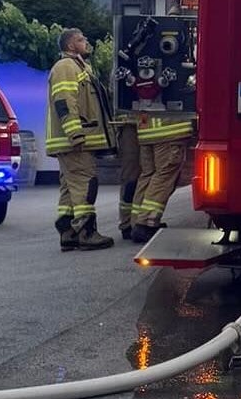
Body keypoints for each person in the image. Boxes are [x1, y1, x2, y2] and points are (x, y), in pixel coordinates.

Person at [44, 28, 114, 252]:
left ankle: (68, 230)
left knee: (69, 186)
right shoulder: (66, 67)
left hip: (71, 141)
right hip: (75, 141)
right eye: (81, 39)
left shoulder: (79, 66)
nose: (86, 42)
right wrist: (75, 133)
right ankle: (87, 232)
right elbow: (64, 101)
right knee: (85, 182)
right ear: (70, 46)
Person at [129, 112, 196, 243]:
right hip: (169, 131)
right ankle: (145, 224)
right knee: (163, 176)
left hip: (146, 131)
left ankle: (136, 221)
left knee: (148, 175)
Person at [114, 111, 140, 241]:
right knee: (131, 179)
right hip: (128, 124)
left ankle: (139, 220)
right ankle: (126, 223)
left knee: (144, 176)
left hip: (141, 123)